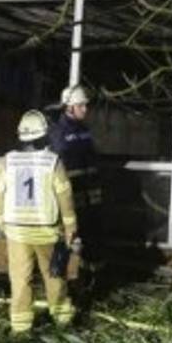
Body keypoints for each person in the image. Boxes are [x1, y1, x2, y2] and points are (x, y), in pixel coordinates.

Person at [0, 109, 78, 333]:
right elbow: (65, 197)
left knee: (20, 279)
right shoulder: (53, 162)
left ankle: (20, 328)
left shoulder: (7, 161)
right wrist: (70, 227)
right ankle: (62, 320)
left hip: (16, 232)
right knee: (54, 274)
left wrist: (2, 224)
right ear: (43, 135)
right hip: (47, 230)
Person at [50, 83, 101, 264]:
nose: (85, 109)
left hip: (88, 195)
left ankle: (88, 270)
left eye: (85, 105)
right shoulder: (58, 132)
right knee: (68, 239)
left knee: (88, 238)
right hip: (70, 195)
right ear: (69, 107)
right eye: (81, 105)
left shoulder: (84, 130)